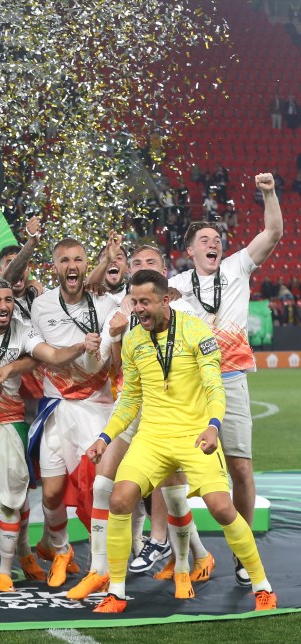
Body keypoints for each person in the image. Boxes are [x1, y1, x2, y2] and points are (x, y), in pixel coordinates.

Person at [86, 270, 277, 613]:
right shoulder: (132, 340)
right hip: (153, 438)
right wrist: (105, 437)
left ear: (165, 300)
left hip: (195, 436)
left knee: (221, 507)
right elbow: (130, 398)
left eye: (145, 301)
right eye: (134, 301)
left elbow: (214, 387)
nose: (138, 309)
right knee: (119, 499)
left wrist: (214, 426)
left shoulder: (196, 332)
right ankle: (115, 591)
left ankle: (262, 585)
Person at [0, 278, 100, 593]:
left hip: (13, 421)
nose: (3, 306)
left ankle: (5, 570)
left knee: (13, 501)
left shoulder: (23, 328)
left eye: (8, 300)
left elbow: (51, 356)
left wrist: (81, 346)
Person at [167, 172, 283, 586]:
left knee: (242, 469)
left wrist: (268, 193)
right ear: (189, 250)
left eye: (216, 238)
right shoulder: (174, 286)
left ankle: (242, 547)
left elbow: (273, 231)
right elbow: (137, 303)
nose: (213, 242)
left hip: (230, 380)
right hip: (188, 386)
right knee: (172, 471)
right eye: (204, 239)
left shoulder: (237, 267)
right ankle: (180, 552)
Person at [29, 237, 120, 590]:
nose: (71, 265)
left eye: (78, 259)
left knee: (99, 487)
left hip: (97, 409)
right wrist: (81, 346)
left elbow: (118, 345)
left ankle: (104, 563)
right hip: (57, 407)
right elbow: (47, 355)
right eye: (64, 260)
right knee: (51, 494)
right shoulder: (42, 305)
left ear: (86, 265)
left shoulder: (106, 302)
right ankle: (61, 551)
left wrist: (118, 333)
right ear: (55, 266)